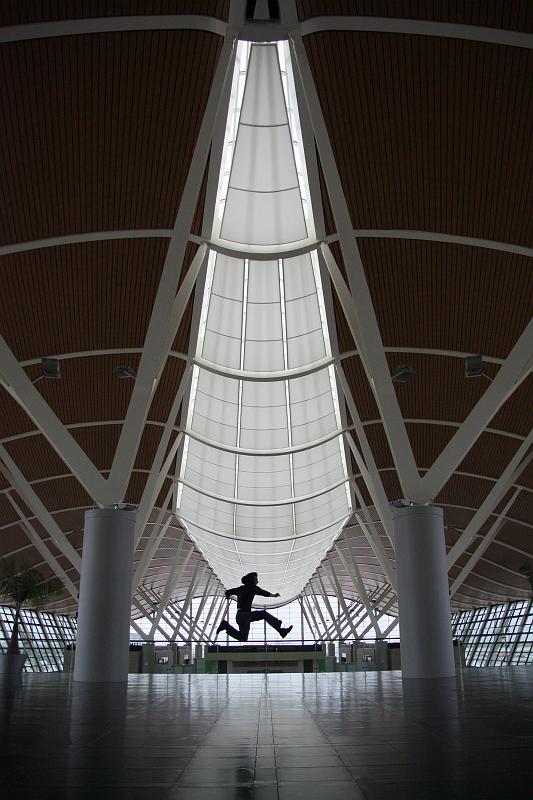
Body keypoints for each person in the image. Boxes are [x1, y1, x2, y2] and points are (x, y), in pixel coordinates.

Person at [216, 572, 293, 641]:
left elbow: (228, 592)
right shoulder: (252, 588)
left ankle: (280, 630)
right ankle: (225, 625)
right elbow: (263, 593)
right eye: (256, 580)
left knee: (263, 614)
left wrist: (227, 596)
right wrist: (274, 595)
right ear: (251, 581)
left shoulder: (240, 588)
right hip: (245, 616)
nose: (257, 581)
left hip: (241, 615)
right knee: (243, 638)